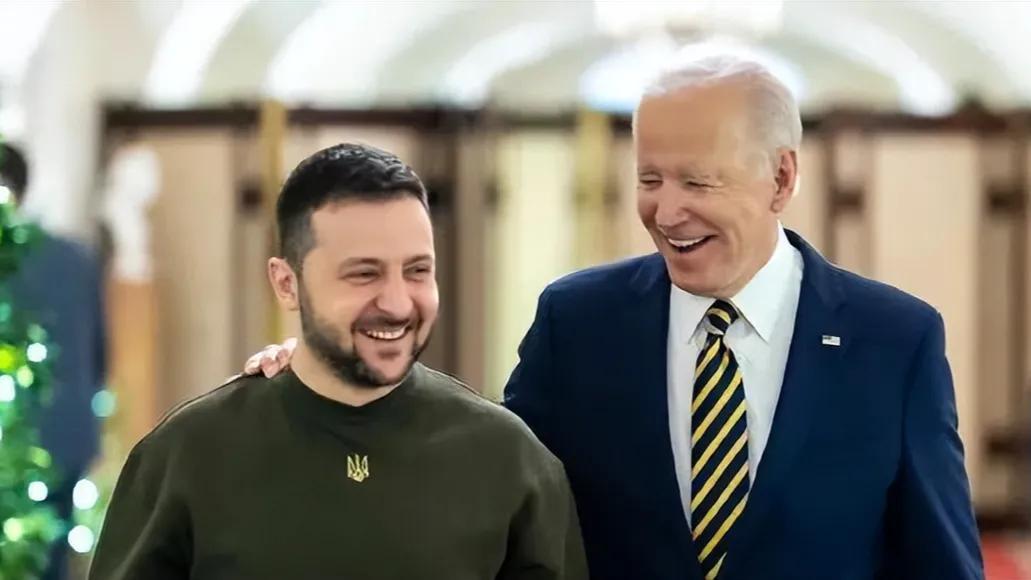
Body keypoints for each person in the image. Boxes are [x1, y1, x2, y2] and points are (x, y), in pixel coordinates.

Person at [244, 56, 984, 579]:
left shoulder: (895, 342)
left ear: (780, 177)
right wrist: (328, 378)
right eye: (650, 178)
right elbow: (479, 476)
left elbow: (941, 563)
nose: (666, 211)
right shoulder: (578, 323)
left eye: (697, 182)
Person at [89, 143, 587, 580]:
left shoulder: (509, 461)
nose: (397, 302)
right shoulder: (188, 455)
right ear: (287, 284)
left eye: (417, 270)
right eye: (364, 274)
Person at [1, 143, 108, 580]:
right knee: (52, 559)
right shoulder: (74, 258)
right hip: (68, 431)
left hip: (13, 440)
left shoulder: (11, 260)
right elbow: (99, 351)